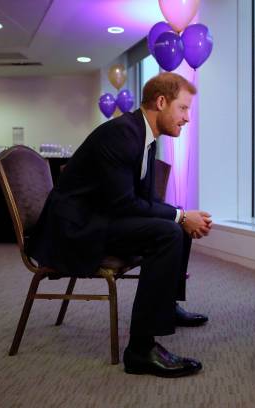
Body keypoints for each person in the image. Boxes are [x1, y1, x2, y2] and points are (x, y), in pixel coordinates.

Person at [27, 72, 212, 378]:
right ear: (161, 102)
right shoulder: (122, 134)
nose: (187, 118)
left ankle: (165, 306)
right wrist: (180, 216)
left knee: (177, 222)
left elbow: (145, 199)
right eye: (183, 109)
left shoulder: (144, 137)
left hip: (101, 217)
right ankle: (140, 350)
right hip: (76, 230)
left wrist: (183, 216)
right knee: (170, 228)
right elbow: (123, 204)